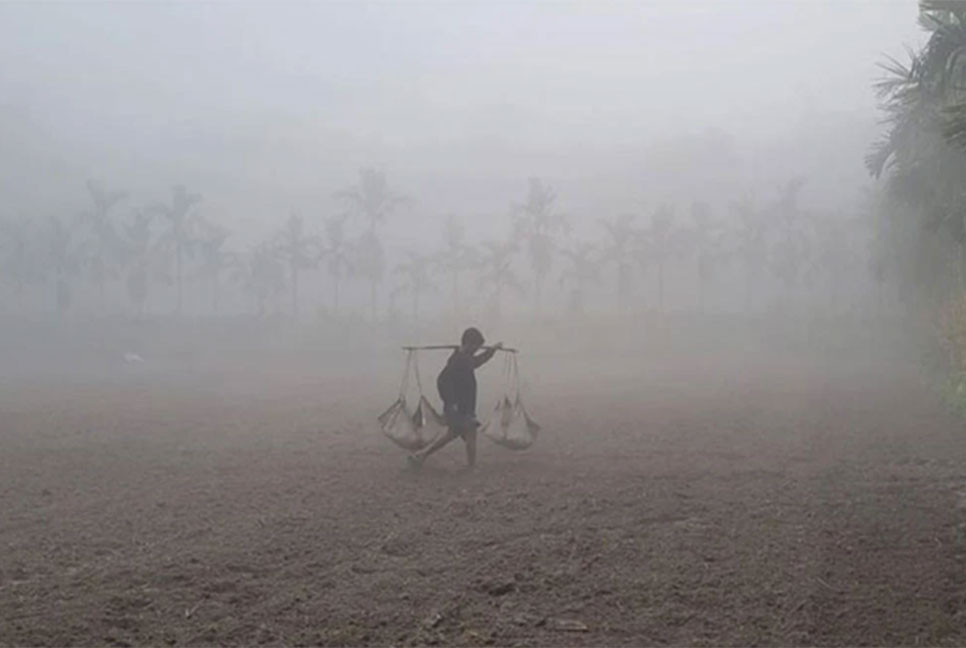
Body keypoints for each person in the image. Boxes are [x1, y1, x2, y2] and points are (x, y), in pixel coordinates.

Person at [409, 327, 502, 469]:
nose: (476, 350)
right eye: (475, 347)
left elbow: (475, 361)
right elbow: (443, 381)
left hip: (463, 406)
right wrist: (451, 402)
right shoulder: (459, 359)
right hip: (460, 406)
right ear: (469, 344)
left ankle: (420, 455)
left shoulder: (462, 358)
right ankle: (470, 467)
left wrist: (491, 351)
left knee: (453, 434)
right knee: (468, 432)